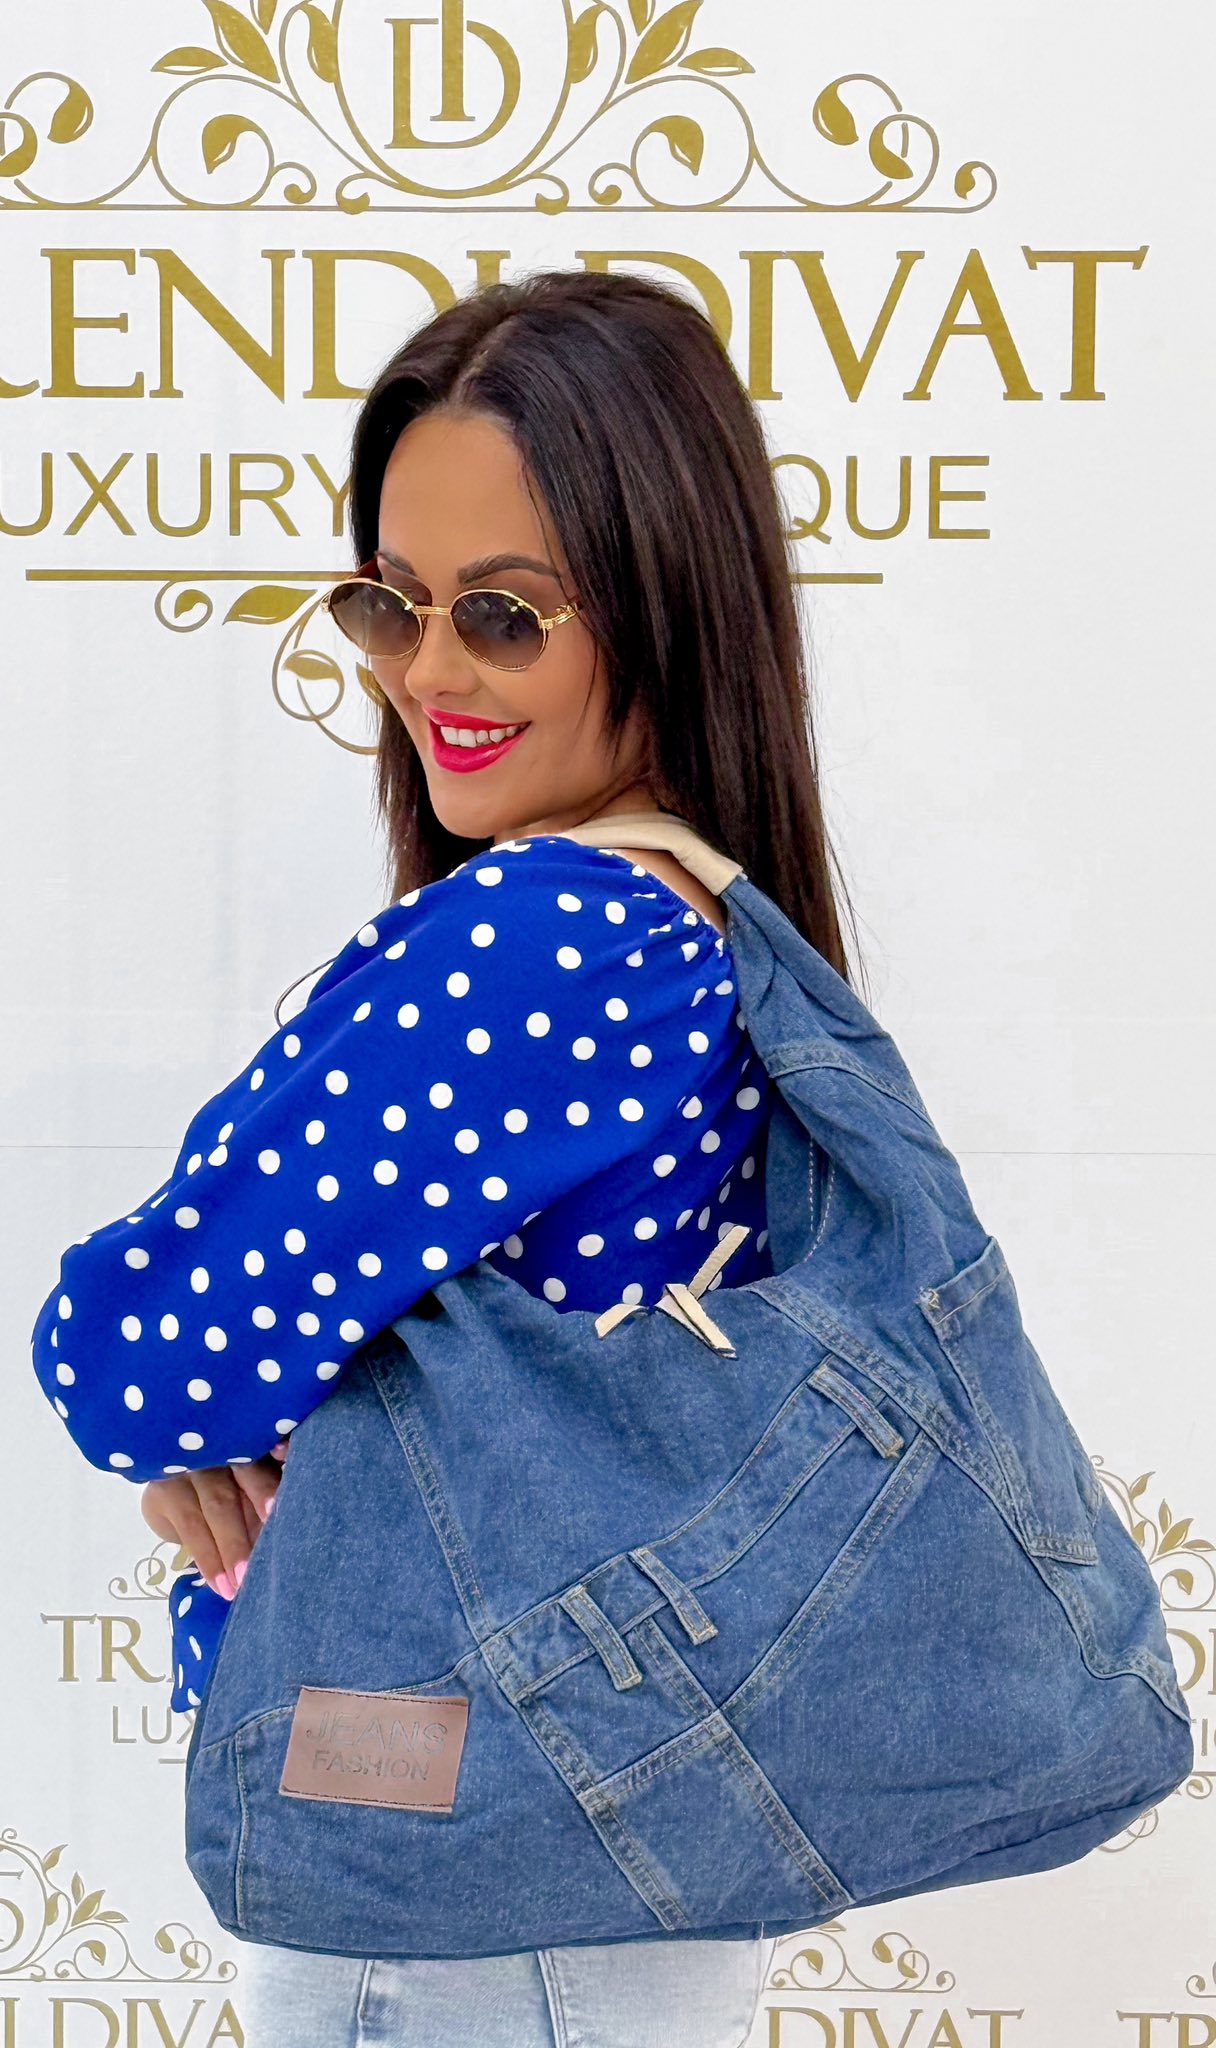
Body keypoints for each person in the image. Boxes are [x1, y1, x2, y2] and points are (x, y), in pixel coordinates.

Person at [30, 267, 867, 2047]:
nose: (424, 673)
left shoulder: (553, 935)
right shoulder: (694, 914)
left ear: (664, 611)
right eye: (387, 602)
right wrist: (254, 1432)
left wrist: (206, 1421)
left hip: (462, 1876)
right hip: (582, 1838)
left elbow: (136, 1356)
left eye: (502, 614)